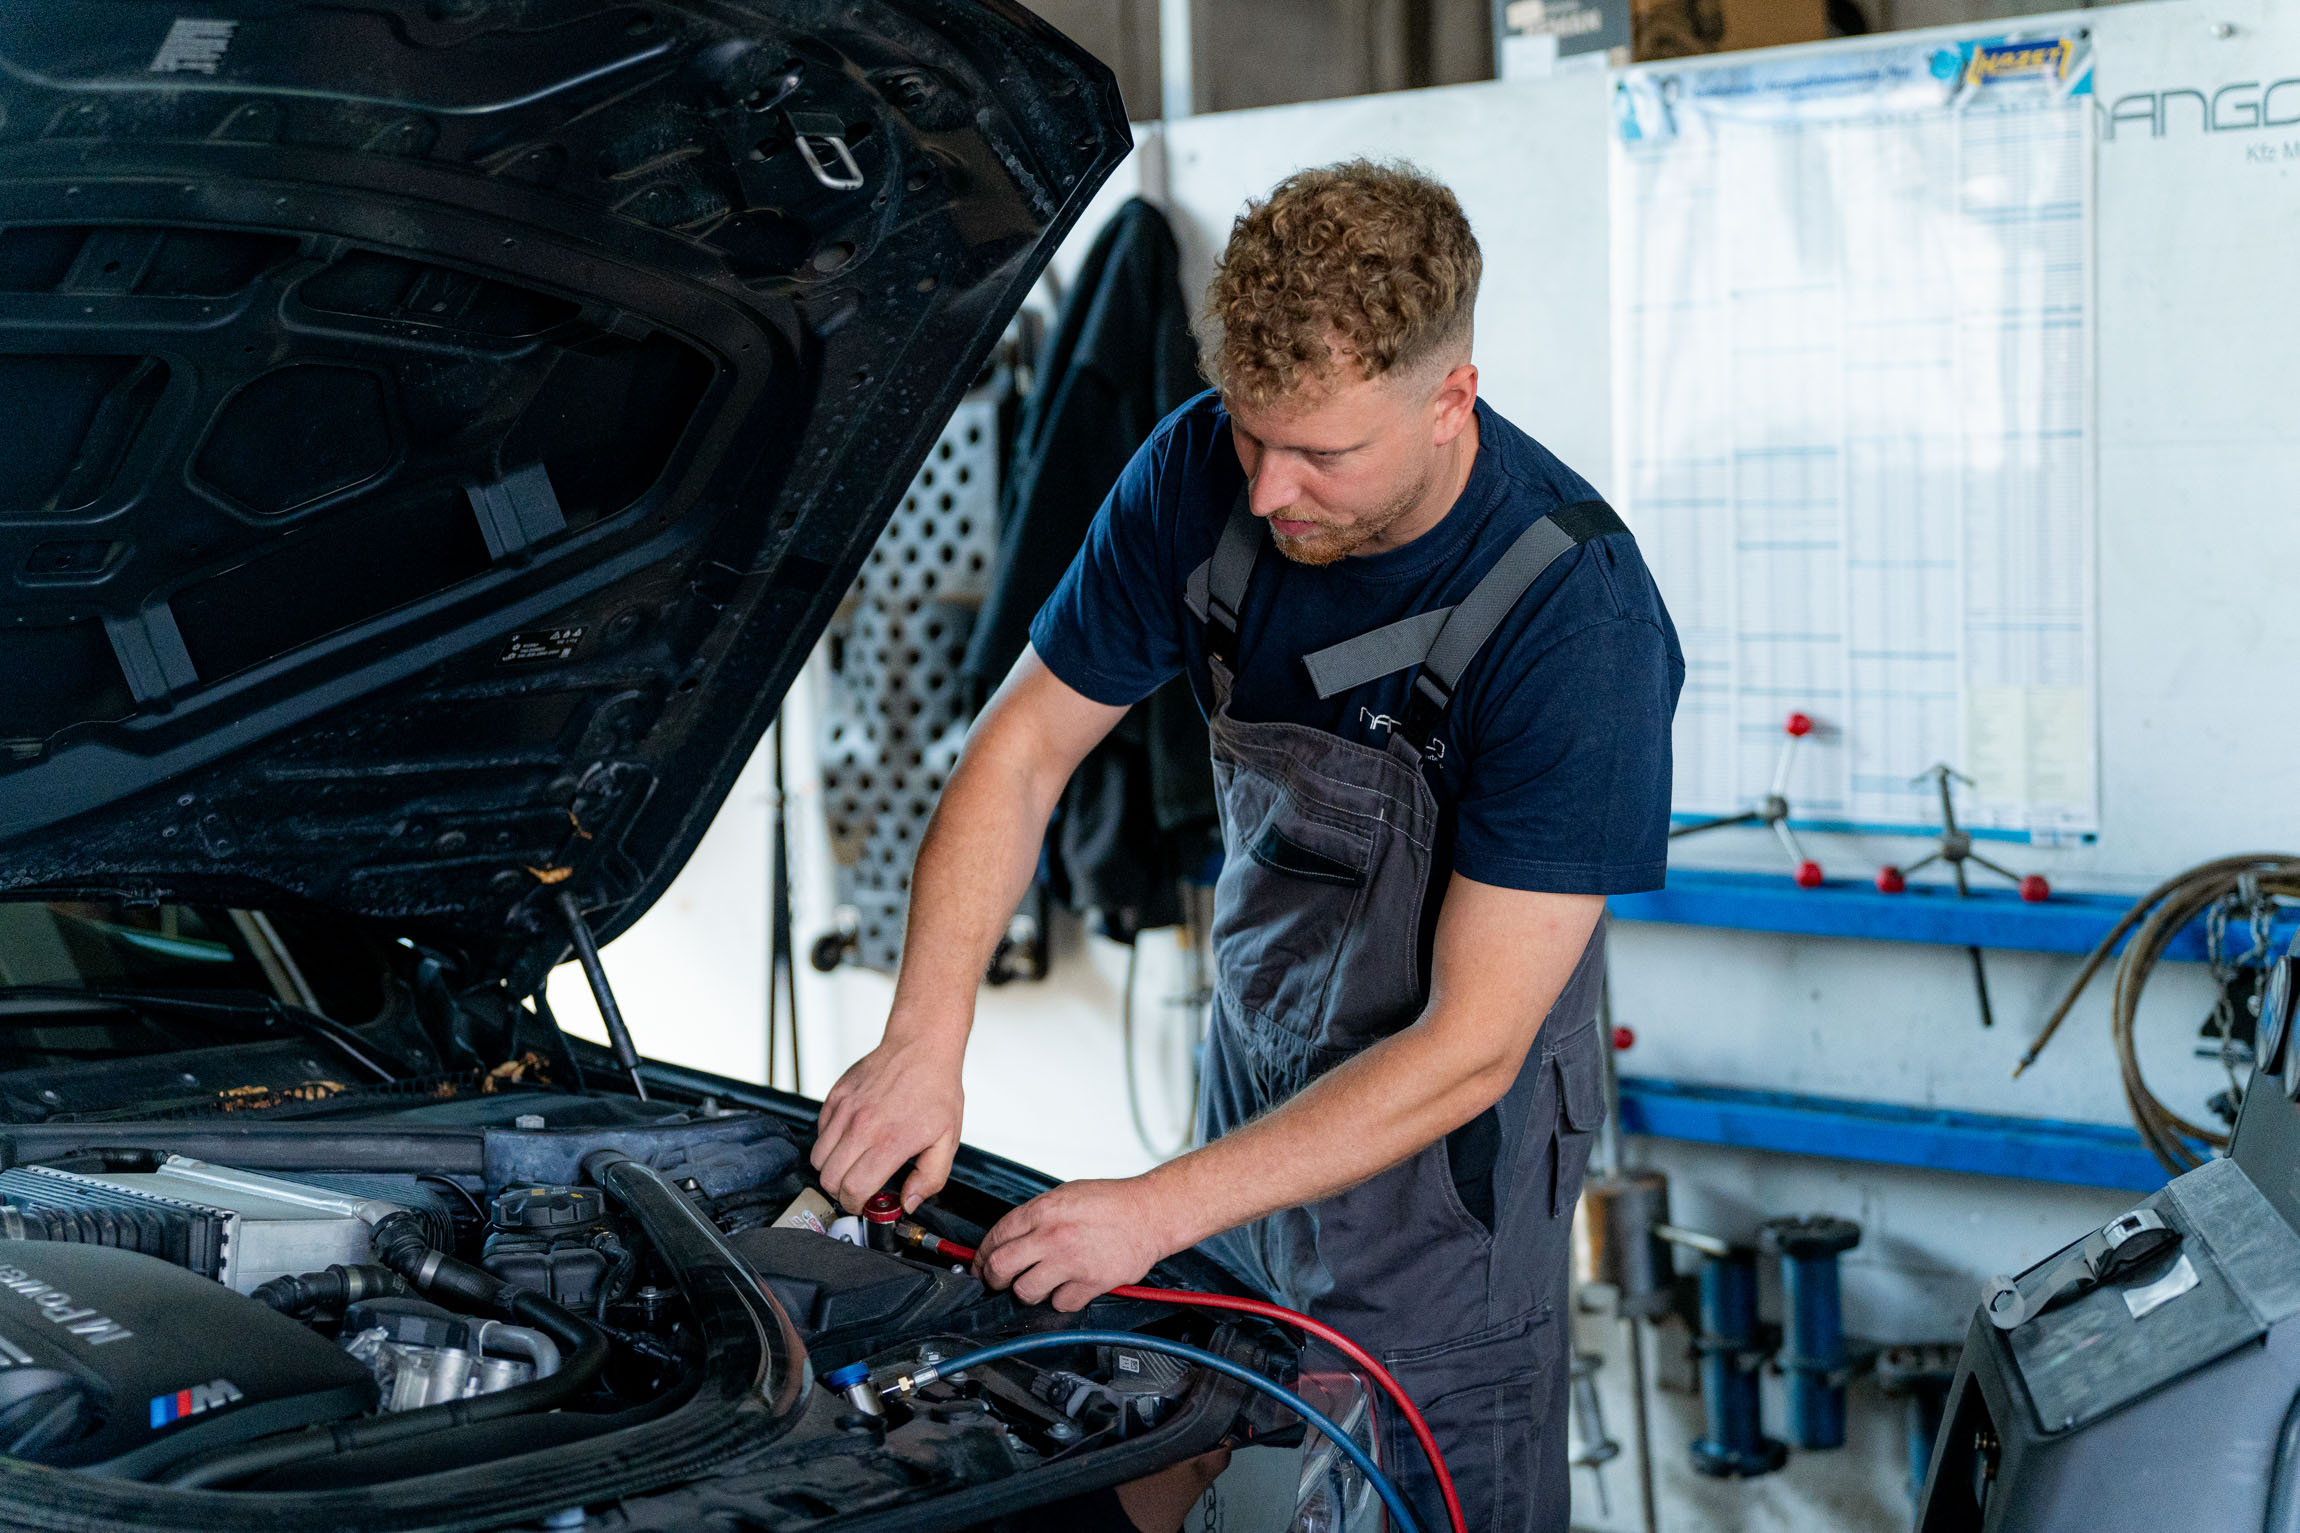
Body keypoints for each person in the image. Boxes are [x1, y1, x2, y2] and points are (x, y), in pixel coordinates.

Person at [811, 159, 1683, 1533]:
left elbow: (1471, 1044)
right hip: (1252, 1092)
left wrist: (1153, 1207)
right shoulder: (1191, 480)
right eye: (1249, 431)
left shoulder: (1574, 621)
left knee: (1410, 1489)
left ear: (1451, 397)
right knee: (1148, 1441)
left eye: (1322, 454)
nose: (1271, 491)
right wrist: (925, 1039)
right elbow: (1021, 748)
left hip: (1444, 1182)